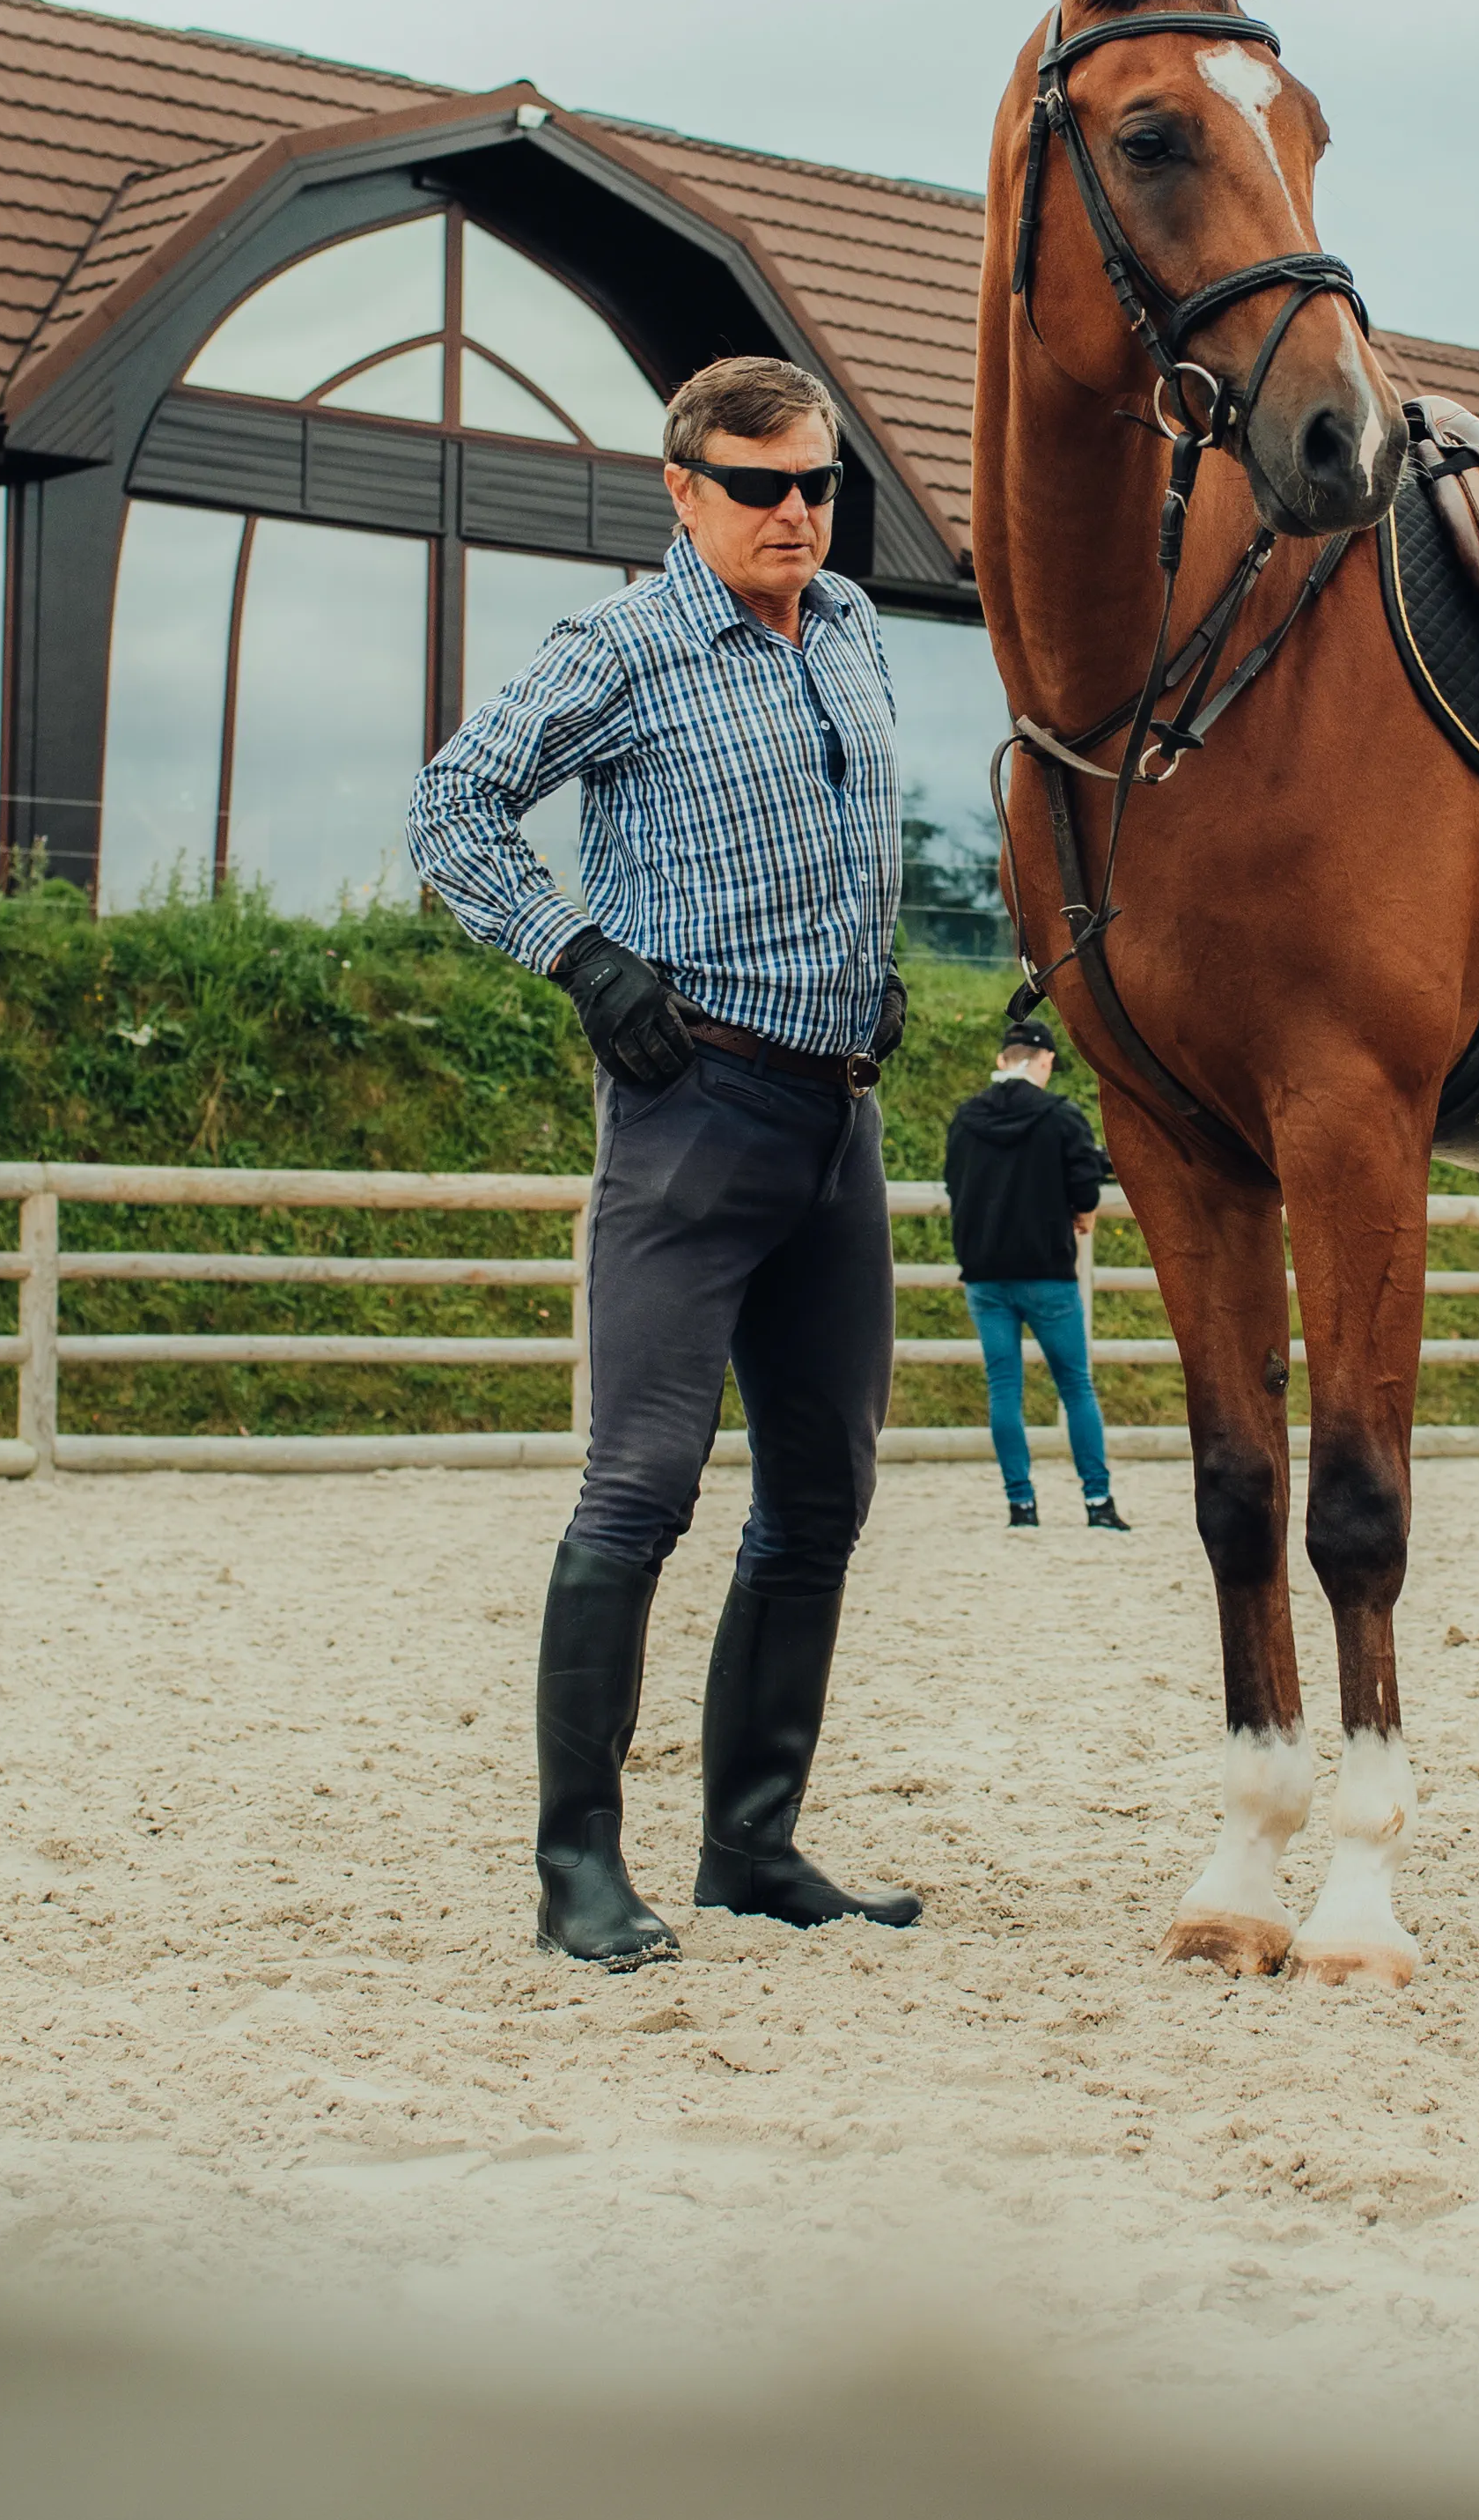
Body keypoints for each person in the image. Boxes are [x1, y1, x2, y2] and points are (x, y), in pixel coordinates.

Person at [407, 354, 916, 1971]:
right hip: (693, 1109)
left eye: (816, 486)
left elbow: (846, 832)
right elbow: (452, 808)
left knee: (822, 1494)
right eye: (757, 487)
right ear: (683, 491)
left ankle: (750, 1848)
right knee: (639, 1488)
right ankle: (576, 1869)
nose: (793, 515)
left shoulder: (850, 630)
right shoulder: (617, 647)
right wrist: (578, 955)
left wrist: (873, 964)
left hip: (837, 1118)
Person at [941, 1019, 1128, 1532]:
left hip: (985, 1274)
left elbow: (955, 1184)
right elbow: (1086, 1182)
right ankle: (1098, 1503)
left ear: (1004, 1060)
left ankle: (1021, 1506)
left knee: (1004, 1389)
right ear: (1043, 1061)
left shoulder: (965, 1118)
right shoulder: (1062, 1117)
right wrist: (1083, 1216)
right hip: (1047, 1273)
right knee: (1075, 1386)